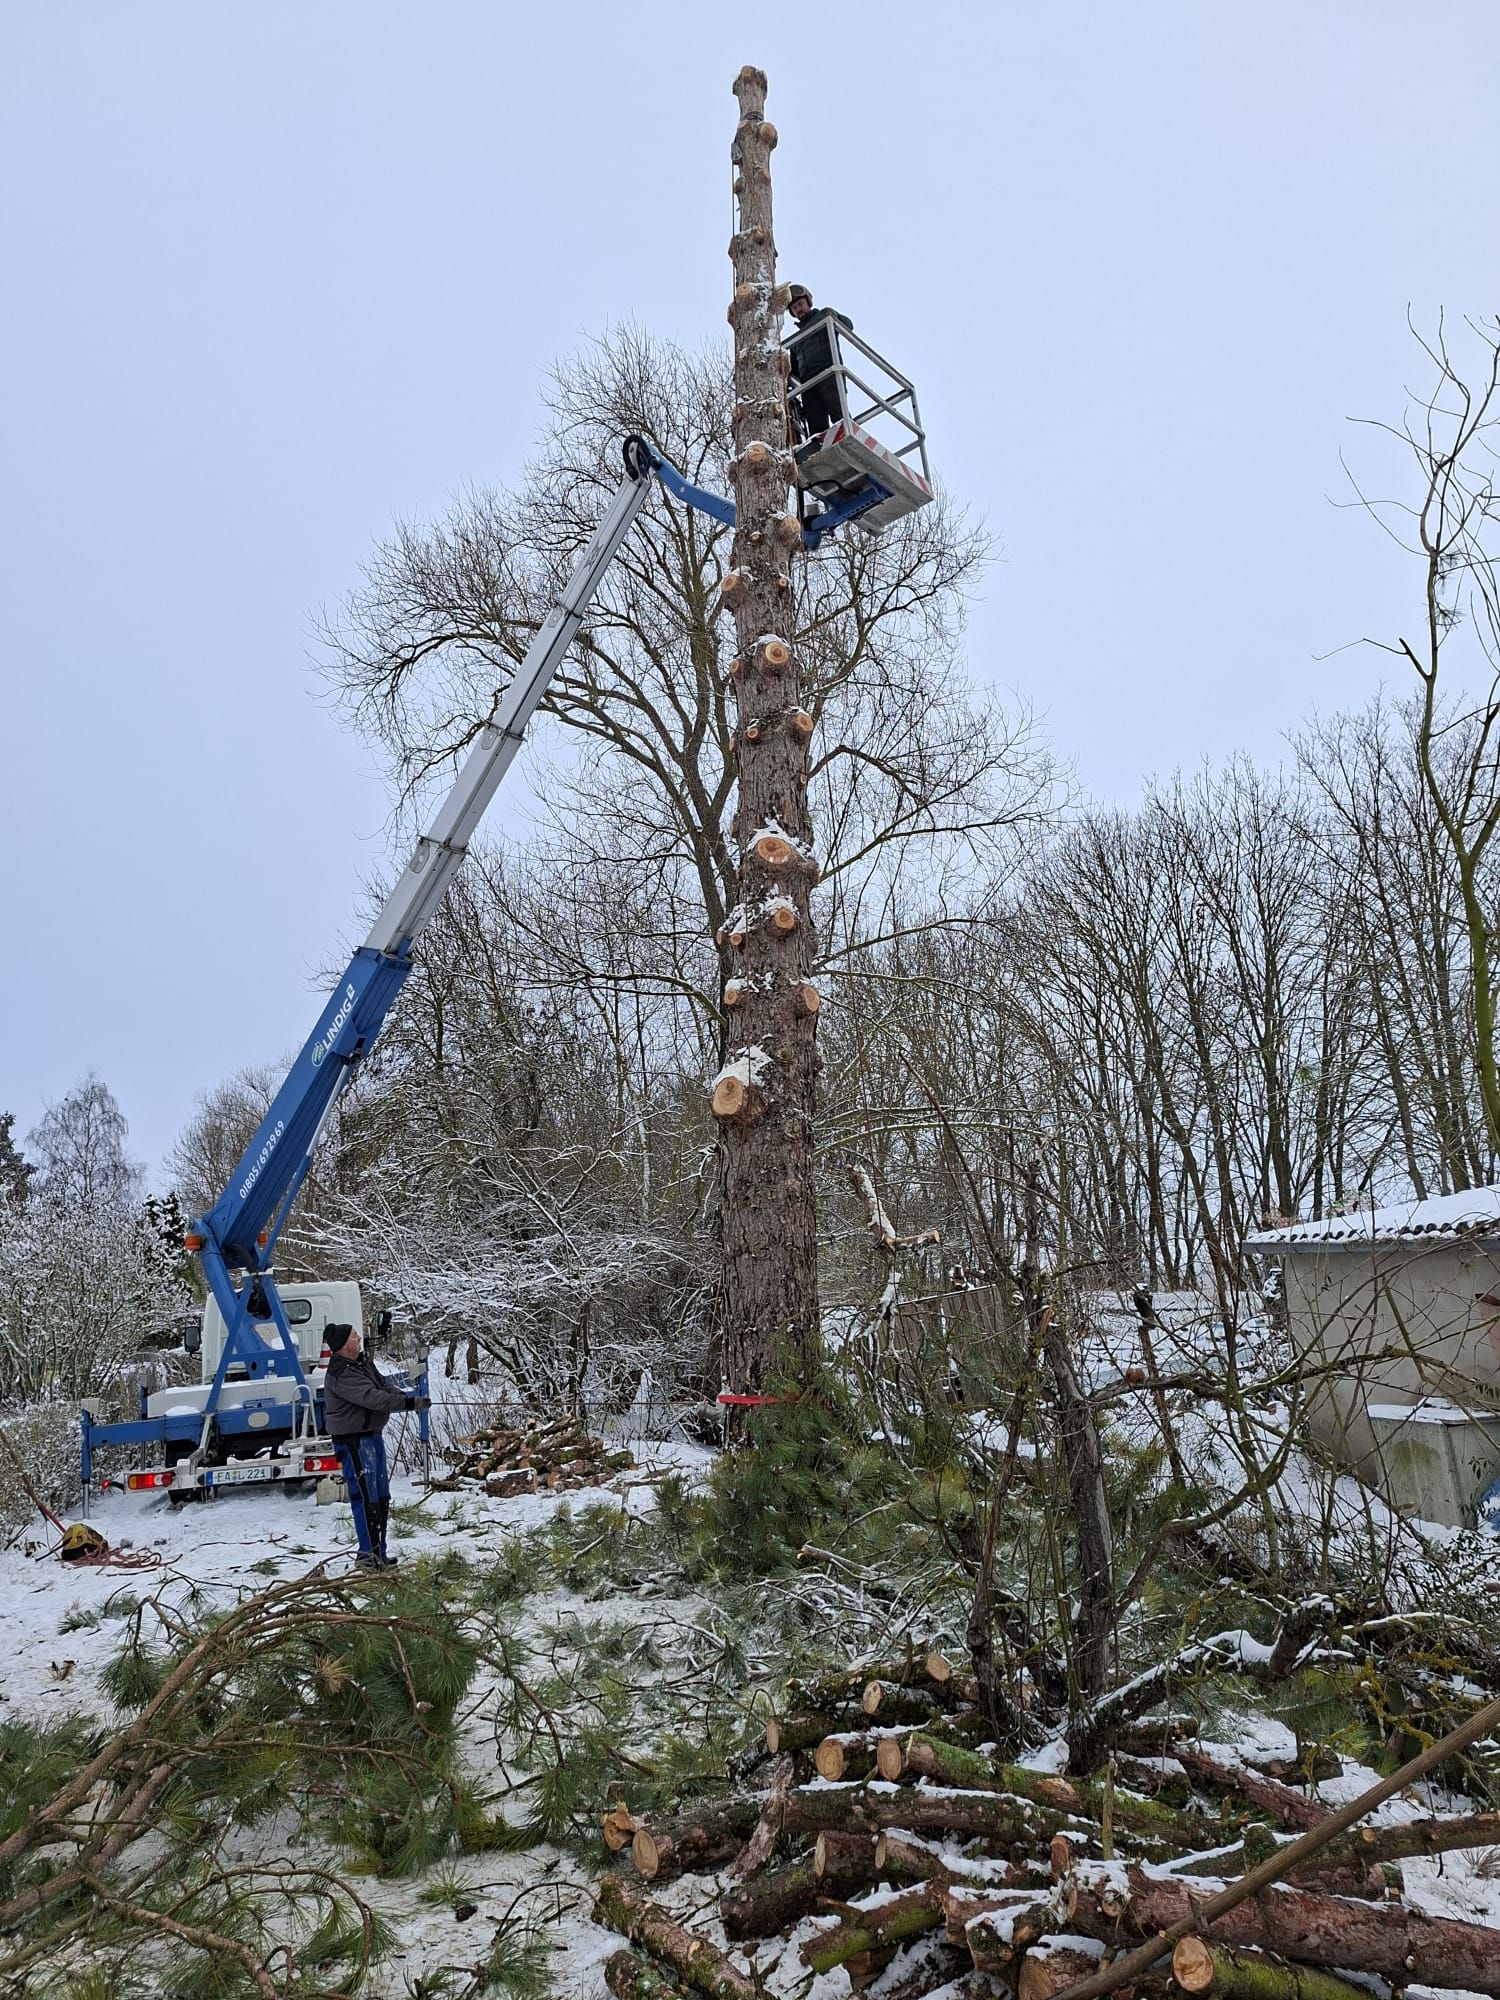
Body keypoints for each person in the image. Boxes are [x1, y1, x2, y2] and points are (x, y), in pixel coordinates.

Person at [322, 1321, 427, 1570]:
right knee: (366, 1498)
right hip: (355, 1442)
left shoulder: (362, 1364)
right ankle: (368, 1556)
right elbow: (371, 1397)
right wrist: (407, 1404)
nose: (359, 1338)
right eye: (354, 1336)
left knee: (380, 1497)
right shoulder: (341, 1373)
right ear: (343, 1344)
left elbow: (383, 1386)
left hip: (372, 1438)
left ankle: (379, 1552)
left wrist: (403, 1398)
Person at [785, 286, 853, 441]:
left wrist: (834, 317)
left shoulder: (823, 316)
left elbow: (848, 325)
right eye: (794, 308)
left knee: (837, 410)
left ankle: (847, 438)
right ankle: (820, 445)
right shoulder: (796, 341)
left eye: (800, 304)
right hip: (808, 383)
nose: (798, 309)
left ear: (808, 302)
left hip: (828, 373)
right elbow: (794, 369)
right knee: (815, 422)